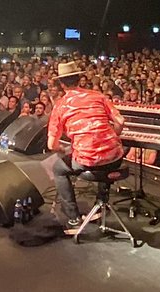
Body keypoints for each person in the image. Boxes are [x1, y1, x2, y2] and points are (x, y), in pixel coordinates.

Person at [46, 60, 126, 231]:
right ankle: (100, 203)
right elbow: (120, 120)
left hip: (88, 160)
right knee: (106, 160)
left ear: (61, 84)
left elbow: (51, 144)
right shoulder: (98, 96)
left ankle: (73, 218)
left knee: (58, 169)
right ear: (79, 78)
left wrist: (62, 149)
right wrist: (113, 137)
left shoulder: (60, 105)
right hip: (116, 156)